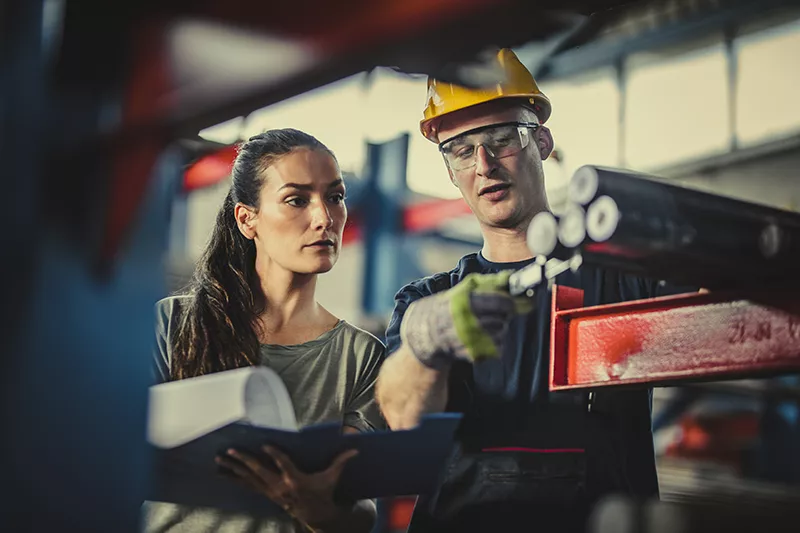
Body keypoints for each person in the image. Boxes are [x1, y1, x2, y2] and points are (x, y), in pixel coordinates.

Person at [375, 48, 695, 532]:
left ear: (541, 142)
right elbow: (403, 419)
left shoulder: (622, 276)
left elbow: (725, 327)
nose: (484, 164)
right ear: (449, 169)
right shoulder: (427, 300)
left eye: (502, 139)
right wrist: (423, 342)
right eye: (462, 150)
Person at [144, 129, 385, 533]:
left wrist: (315, 506)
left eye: (335, 196)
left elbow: (361, 510)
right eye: (296, 199)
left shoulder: (361, 356)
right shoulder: (174, 324)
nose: (324, 218)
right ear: (247, 219)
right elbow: (111, 458)